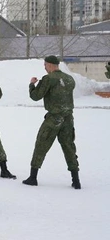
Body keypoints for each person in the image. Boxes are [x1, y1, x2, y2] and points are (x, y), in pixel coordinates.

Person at [23, 55, 81, 189]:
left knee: (41, 144)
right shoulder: (69, 79)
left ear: (49, 65)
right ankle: (76, 180)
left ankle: (33, 177)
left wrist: (32, 85)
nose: (44, 67)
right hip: (68, 118)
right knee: (69, 147)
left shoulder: (48, 79)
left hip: (54, 118)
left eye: (45, 65)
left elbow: (35, 96)